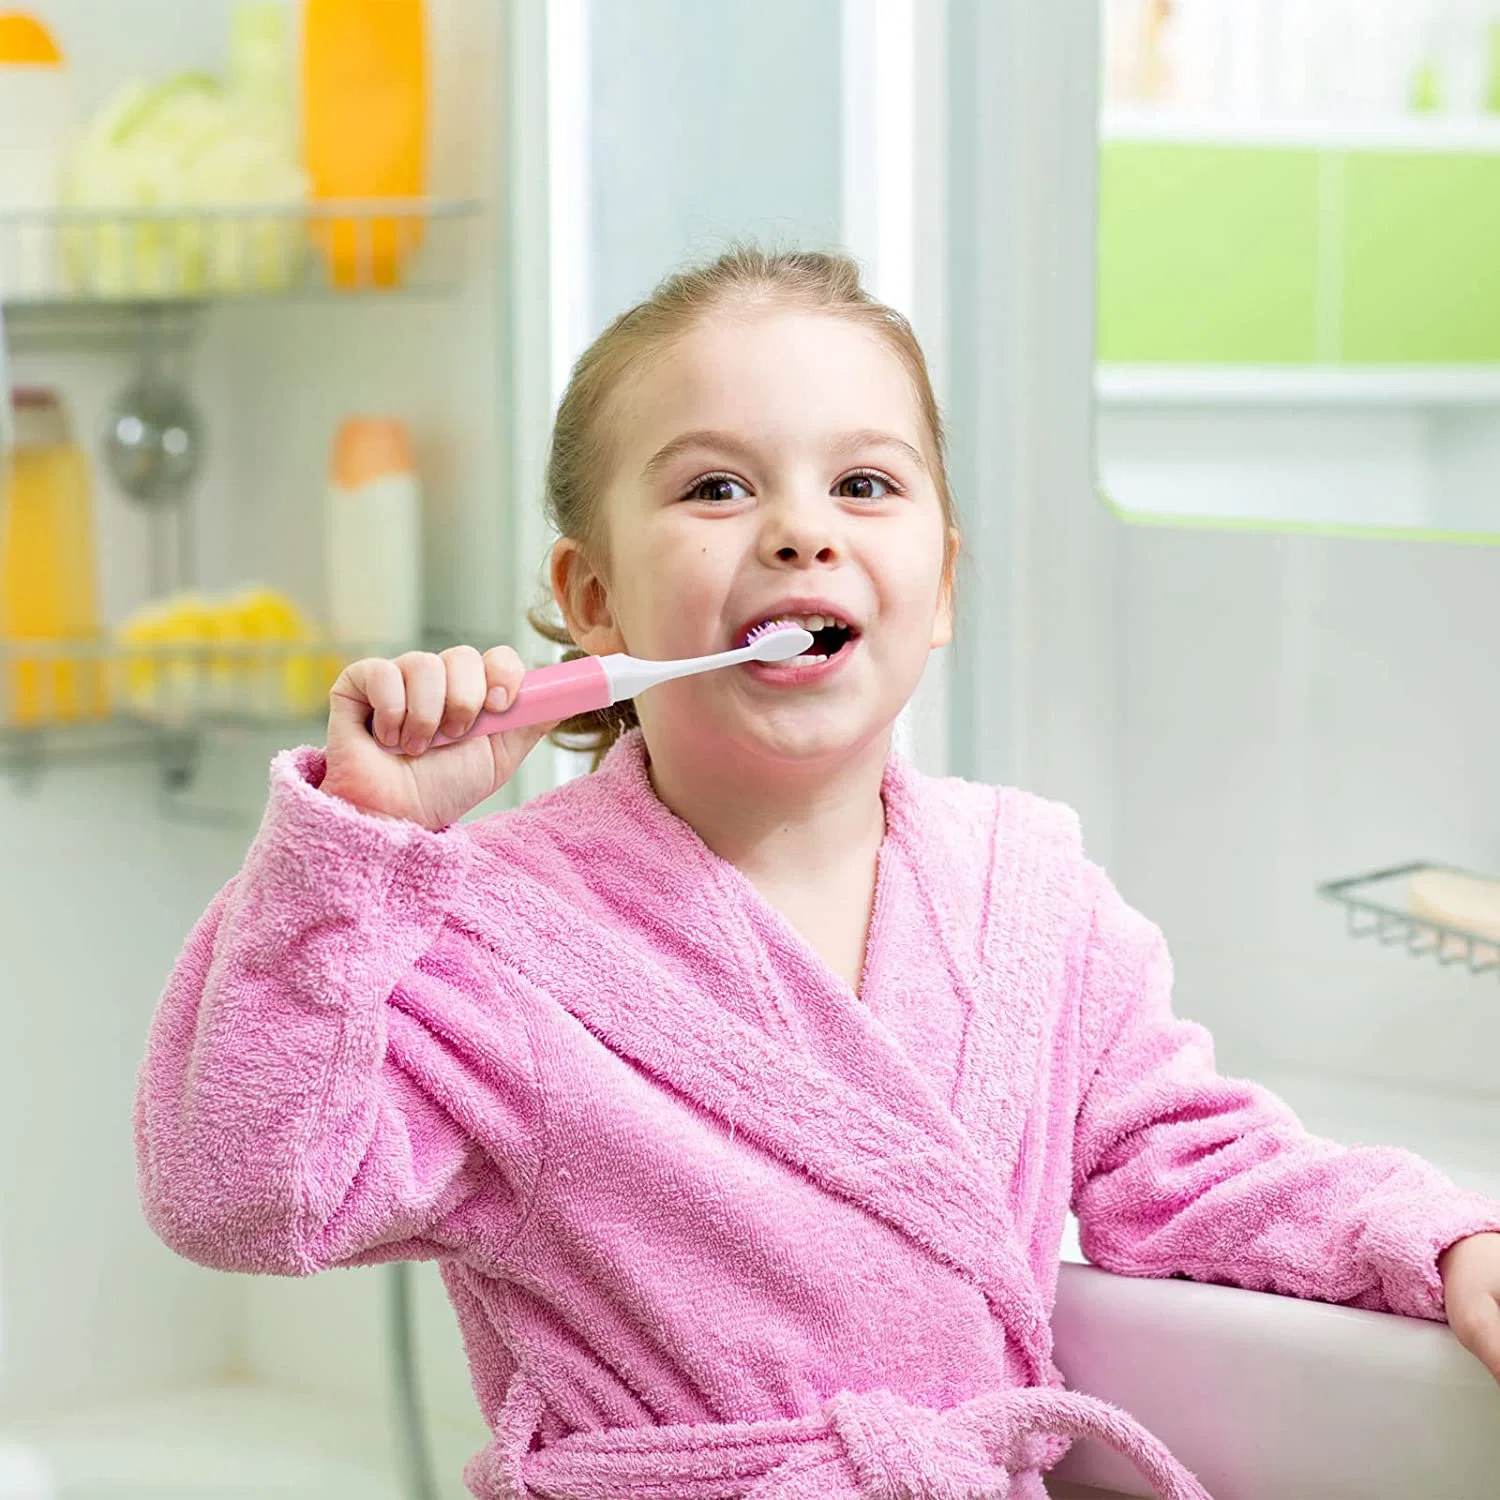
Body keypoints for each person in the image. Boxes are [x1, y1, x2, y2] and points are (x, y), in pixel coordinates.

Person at [135, 248, 1500, 1500]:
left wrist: (1441, 1243)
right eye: (717, 487)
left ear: (942, 583)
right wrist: (356, 849)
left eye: (865, 484)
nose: (800, 531)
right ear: (593, 598)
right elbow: (244, 1194)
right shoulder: (485, 935)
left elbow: (1188, 1168)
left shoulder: (1028, 894)